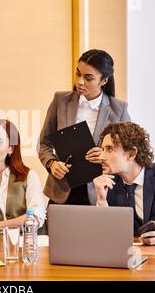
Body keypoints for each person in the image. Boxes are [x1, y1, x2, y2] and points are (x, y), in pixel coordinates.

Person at [38, 49, 131, 206]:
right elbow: (44, 143)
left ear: (104, 81)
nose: (80, 81)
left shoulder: (118, 109)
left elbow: (128, 153)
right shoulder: (60, 101)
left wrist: (105, 153)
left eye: (88, 78)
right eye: (78, 74)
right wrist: (52, 163)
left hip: (100, 193)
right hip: (61, 191)